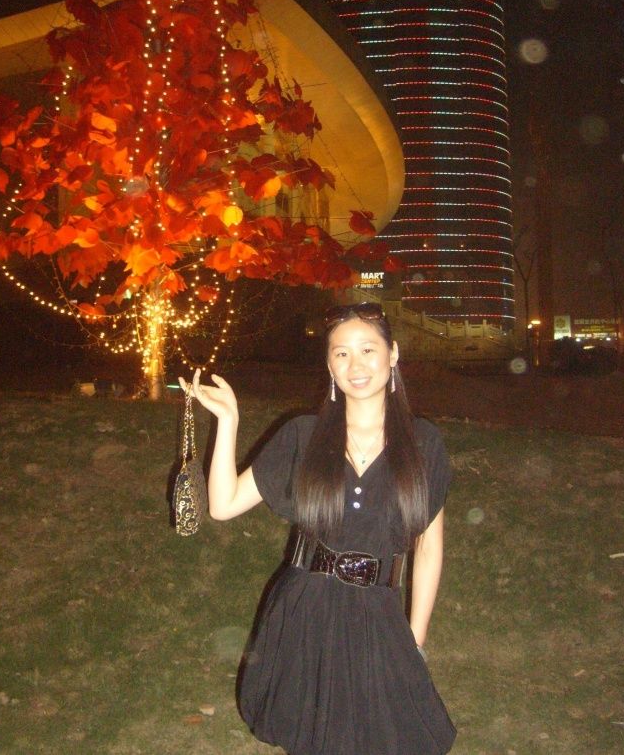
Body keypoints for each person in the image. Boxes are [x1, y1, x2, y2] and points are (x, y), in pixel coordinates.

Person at [180, 302, 456, 755]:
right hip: (306, 607)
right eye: (341, 353)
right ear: (329, 365)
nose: (355, 365)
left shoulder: (423, 443)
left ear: (392, 354)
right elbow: (224, 505)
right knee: (314, 735)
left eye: (367, 349)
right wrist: (228, 422)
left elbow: (428, 547)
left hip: (377, 612)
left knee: (383, 736)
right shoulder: (303, 435)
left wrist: (416, 638)